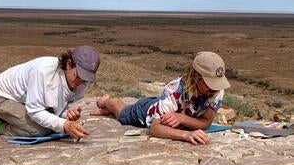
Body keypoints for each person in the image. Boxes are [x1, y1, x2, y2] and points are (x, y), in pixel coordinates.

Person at [91, 51, 230, 145]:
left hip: (166, 108)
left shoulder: (216, 90)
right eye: (209, 84)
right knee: (120, 110)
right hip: (144, 112)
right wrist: (186, 135)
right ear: (195, 77)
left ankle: (108, 108)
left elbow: (206, 122)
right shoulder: (174, 91)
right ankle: (105, 101)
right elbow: (155, 129)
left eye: (216, 84)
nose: (214, 89)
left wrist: (181, 118)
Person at [0, 45, 100, 139]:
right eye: (79, 76)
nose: (81, 82)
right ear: (69, 64)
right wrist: (64, 124)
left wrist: (67, 114)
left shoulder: (80, 82)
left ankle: (16, 119)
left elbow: (55, 105)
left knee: (51, 124)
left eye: (86, 79)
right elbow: (35, 111)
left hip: (24, 100)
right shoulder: (43, 72)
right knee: (39, 131)